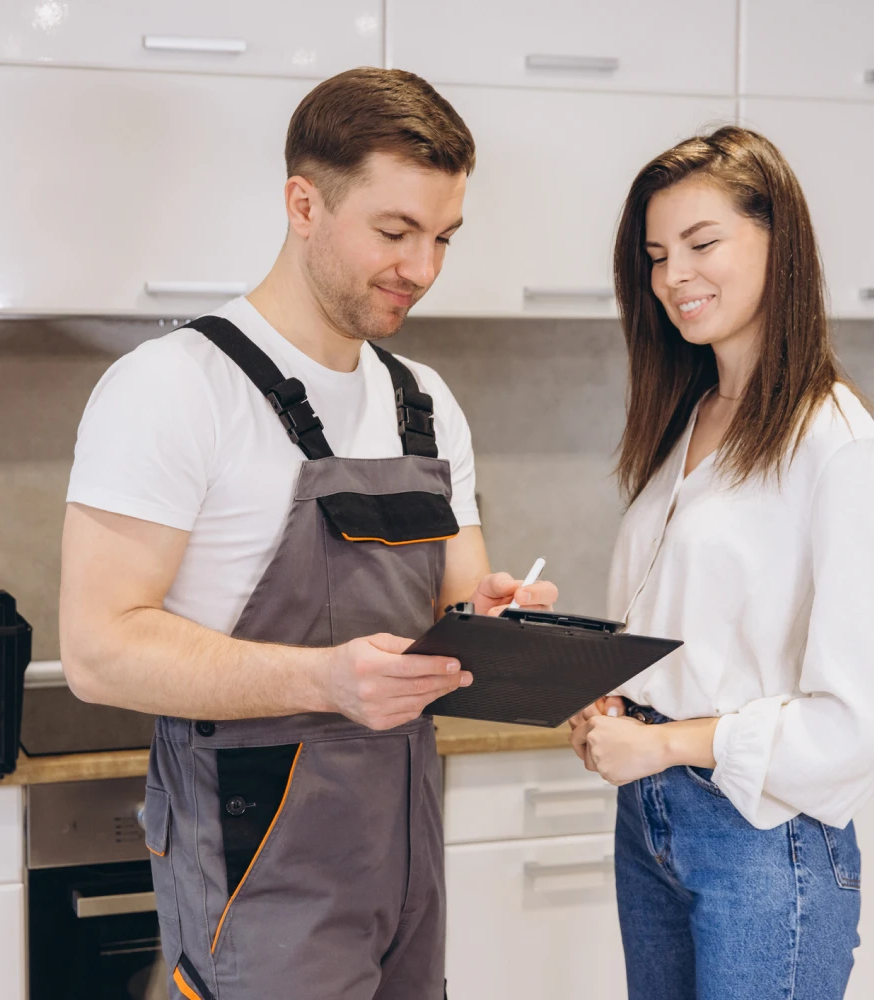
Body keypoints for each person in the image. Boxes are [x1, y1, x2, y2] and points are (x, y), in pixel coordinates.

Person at [59, 67, 557, 1000]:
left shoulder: (427, 403)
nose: (424, 269)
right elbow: (97, 651)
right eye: (395, 231)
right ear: (303, 203)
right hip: (258, 866)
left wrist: (496, 619)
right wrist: (322, 678)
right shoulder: (172, 389)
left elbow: (457, 599)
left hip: (406, 852)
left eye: (444, 237)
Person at [568, 126, 874, 999]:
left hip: (765, 843)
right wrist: (597, 683)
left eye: (702, 244)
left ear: (780, 244)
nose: (673, 276)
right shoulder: (691, 418)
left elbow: (871, 717)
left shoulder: (833, 443)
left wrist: (667, 746)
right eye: (656, 254)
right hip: (651, 821)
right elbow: (692, 629)